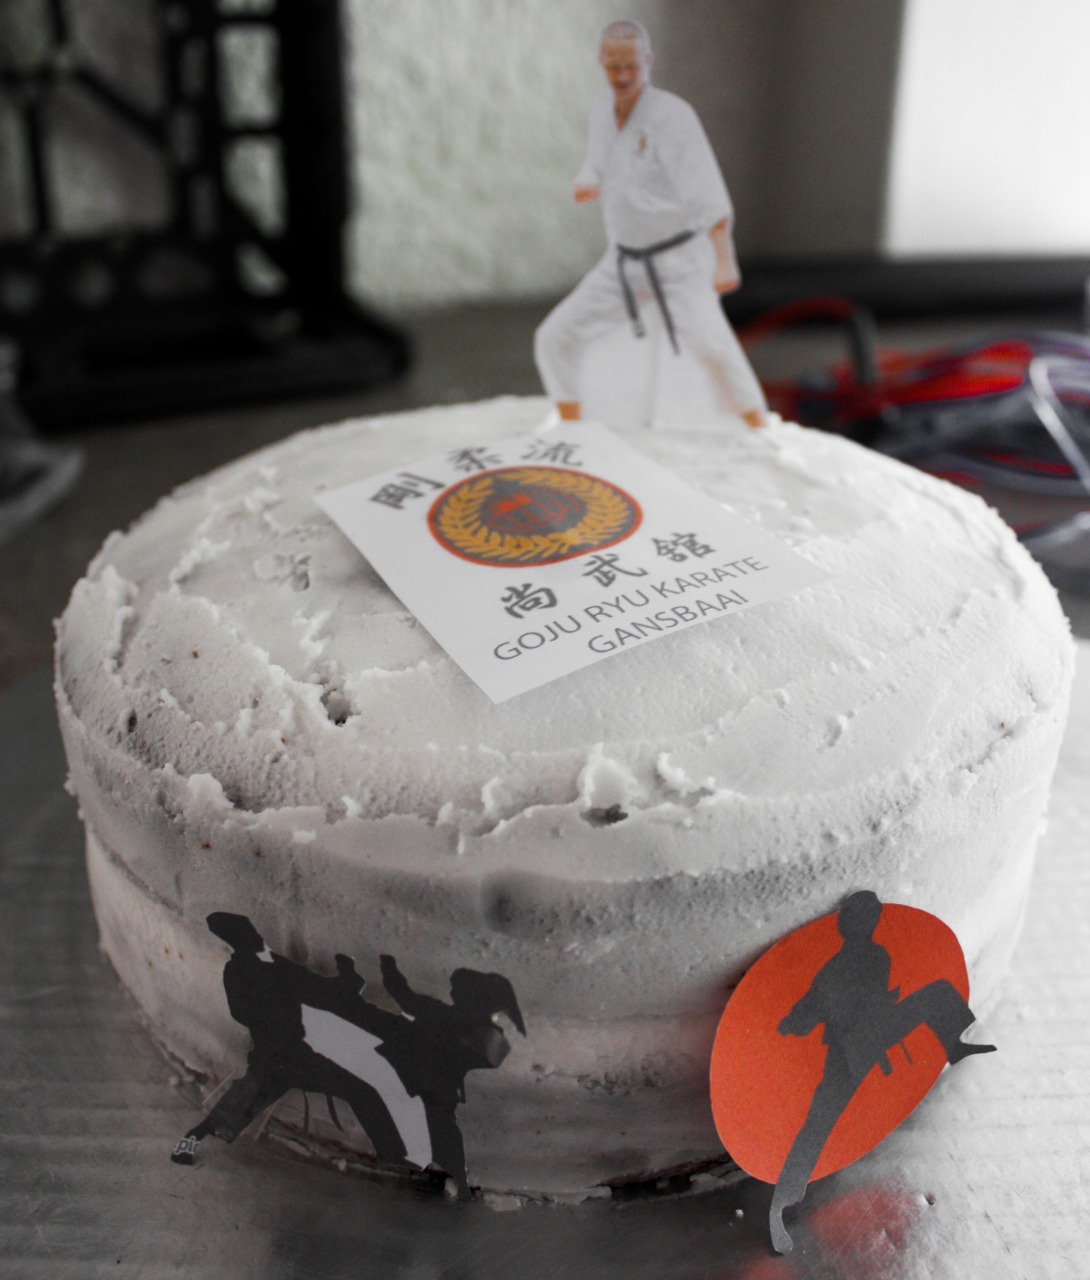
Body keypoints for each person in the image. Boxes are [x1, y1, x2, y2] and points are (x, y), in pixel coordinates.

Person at [534, 19, 766, 429]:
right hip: (623, 260)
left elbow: (705, 187)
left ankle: (757, 426)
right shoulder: (601, 110)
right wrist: (586, 181)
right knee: (555, 336)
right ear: (601, 63)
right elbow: (599, 163)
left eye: (631, 66)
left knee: (711, 346)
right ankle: (572, 429)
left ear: (648, 61)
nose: (622, 76)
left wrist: (723, 256)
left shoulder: (673, 116)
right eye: (614, 67)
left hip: (679, 259)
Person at [769, 891, 995, 1254]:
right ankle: (780, 1207)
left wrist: (797, 1021)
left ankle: (954, 1046)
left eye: (869, 919)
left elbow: (812, 1013)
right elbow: (806, 1013)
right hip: (852, 1050)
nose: (865, 925)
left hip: (876, 1032)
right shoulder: (834, 968)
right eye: (859, 919)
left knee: (937, 994)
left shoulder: (872, 956)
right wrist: (788, 1022)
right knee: (817, 1124)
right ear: (846, 924)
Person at [170, 913, 407, 1169]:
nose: (257, 935)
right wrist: (342, 982)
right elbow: (245, 1011)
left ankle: (393, 1153)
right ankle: (393, 1155)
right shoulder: (244, 970)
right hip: (283, 1056)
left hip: (283, 1056)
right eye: (249, 932)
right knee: (356, 1088)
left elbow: (319, 991)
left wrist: (346, 977)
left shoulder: (267, 964)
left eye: (253, 930)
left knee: (240, 1102)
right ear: (239, 939)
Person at [377, 954, 526, 1200]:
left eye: (458, 989)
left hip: (434, 1090)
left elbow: (493, 1056)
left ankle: (456, 1178)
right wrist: (389, 967)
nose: (453, 993)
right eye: (454, 989)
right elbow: (404, 996)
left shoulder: (477, 1029)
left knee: (439, 1130)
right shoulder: (442, 1013)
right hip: (416, 1085)